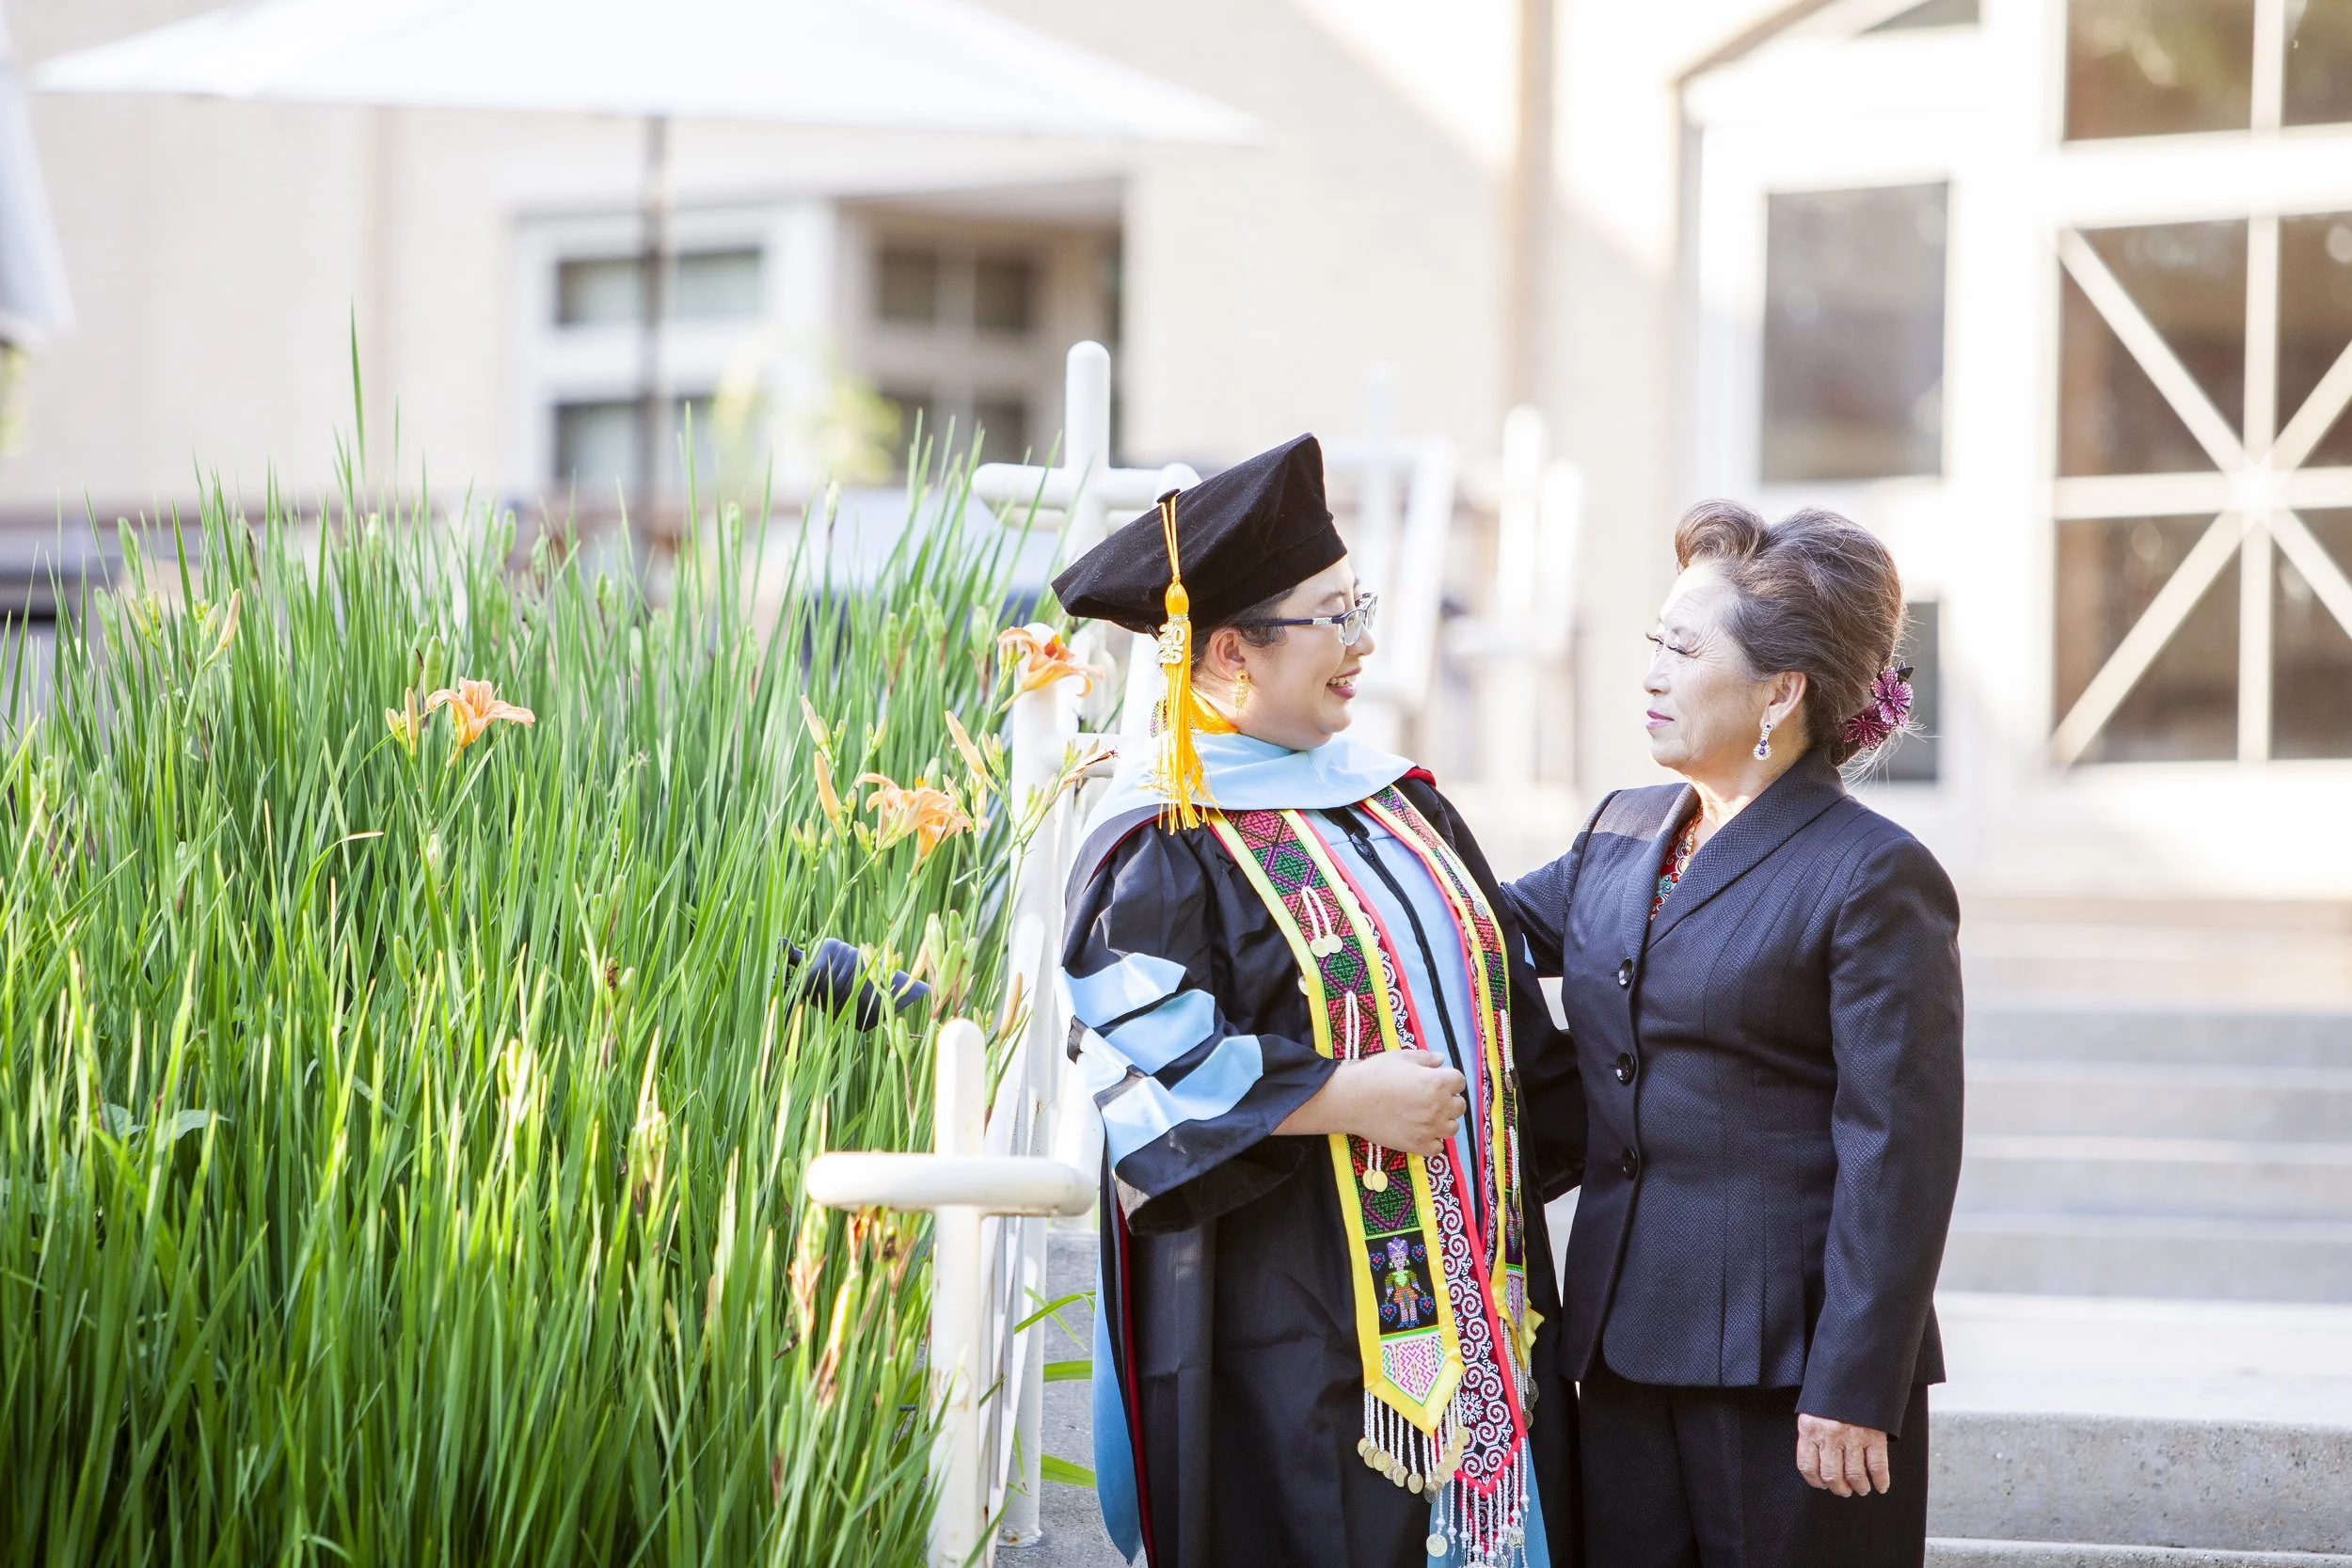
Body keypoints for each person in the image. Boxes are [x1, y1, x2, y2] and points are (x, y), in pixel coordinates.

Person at [1054, 435, 1585, 1568]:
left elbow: (1505, 1019)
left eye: (1361, 606)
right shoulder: (1161, 841)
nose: (1365, 643)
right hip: (1281, 1320)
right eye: (1331, 618)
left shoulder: (1404, 807)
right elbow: (1140, 1057)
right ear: (1232, 649)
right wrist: (1344, 1095)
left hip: (1483, 1307)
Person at [1503, 500, 1963, 1568]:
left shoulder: (1870, 874)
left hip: (1788, 1369)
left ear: (1779, 690)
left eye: (1682, 646)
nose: (1652, 671)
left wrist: (1856, 1382)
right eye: (1652, 642)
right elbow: (1466, 924)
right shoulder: (1621, 830)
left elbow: (1898, 1150)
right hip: (1618, 1342)